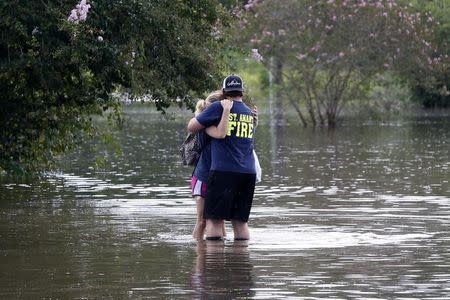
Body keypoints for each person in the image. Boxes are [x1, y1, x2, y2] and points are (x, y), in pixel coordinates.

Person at [188, 75, 256, 240]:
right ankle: (241, 263)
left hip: (223, 172)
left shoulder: (219, 106)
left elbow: (191, 127)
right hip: (248, 173)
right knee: (240, 223)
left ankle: (214, 264)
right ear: (242, 92)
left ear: (224, 91)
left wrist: (206, 116)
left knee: (215, 221)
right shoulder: (248, 112)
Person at [191, 91, 233, 240]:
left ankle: (219, 256)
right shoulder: (207, 125)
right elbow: (220, 133)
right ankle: (200, 254)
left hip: (219, 178)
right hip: (203, 177)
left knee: (220, 221)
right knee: (202, 220)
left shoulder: (227, 123)